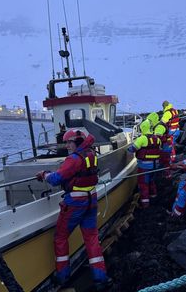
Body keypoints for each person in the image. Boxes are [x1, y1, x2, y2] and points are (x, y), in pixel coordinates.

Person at [36, 129, 112, 290]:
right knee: (91, 239)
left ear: (77, 142)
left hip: (75, 204)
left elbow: (57, 179)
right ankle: (100, 278)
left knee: (61, 237)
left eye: (69, 142)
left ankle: (63, 277)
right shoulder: (91, 154)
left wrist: (44, 174)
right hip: (91, 200)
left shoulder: (73, 159)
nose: (67, 146)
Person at [127, 120, 162, 208]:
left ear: (143, 128)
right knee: (152, 181)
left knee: (143, 184)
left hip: (144, 166)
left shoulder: (142, 138)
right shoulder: (157, 139)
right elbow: (159, 149)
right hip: (155, 166)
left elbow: (132, 149)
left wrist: (127, 149)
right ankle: (153, 196)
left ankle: (145, 203)